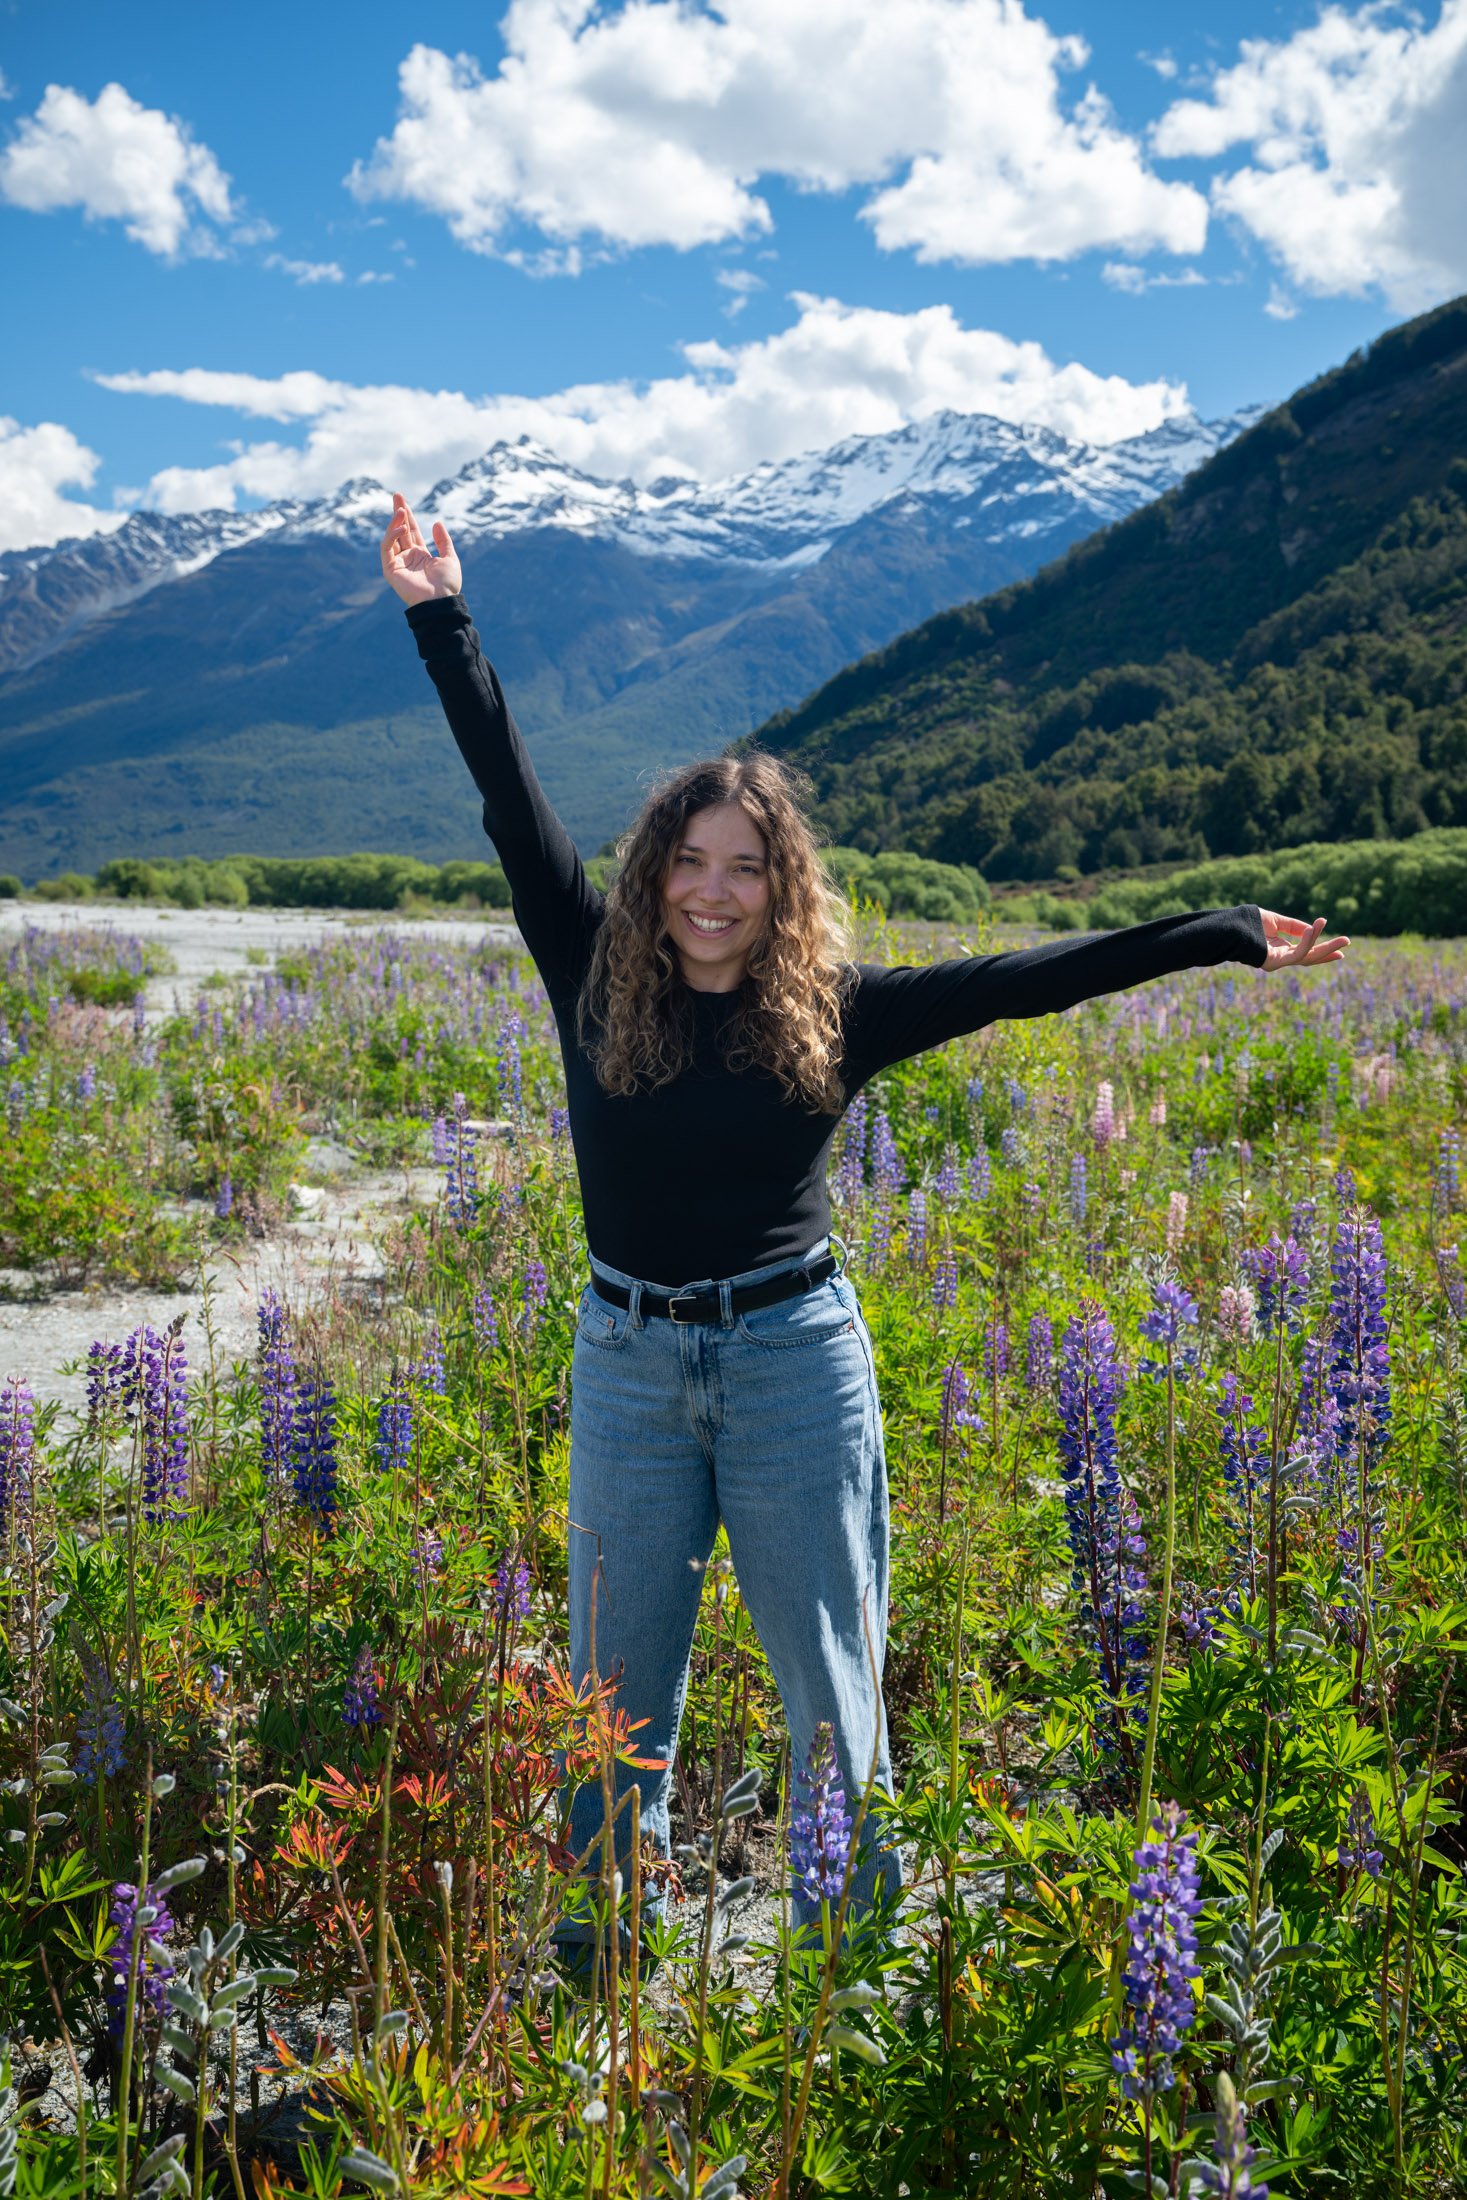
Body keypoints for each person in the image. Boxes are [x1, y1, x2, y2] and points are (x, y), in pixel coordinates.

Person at [380, 491, 1349, 1945]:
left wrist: (1220, 934)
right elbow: (508, 793)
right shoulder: (584, 963)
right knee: (608, 1705)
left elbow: (1032, 975)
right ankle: (596, 1986)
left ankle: (849, 1988)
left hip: (791, 1368)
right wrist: (440, 620)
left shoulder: (836, 1013)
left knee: (833, 1692)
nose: (712, 893)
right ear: (652, 876)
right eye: (689, 863)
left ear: (783, 889)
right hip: (630, 1365)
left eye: (745, 868)